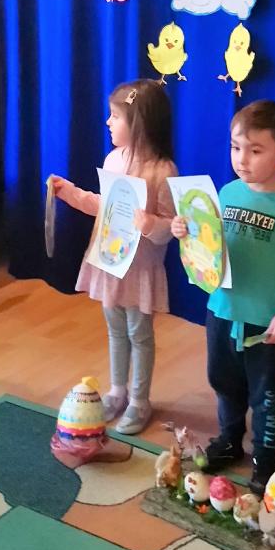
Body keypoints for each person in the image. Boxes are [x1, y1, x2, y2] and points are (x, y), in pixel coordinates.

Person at [171, 100, 275, 493]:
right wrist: (185, 230)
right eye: (236, 147)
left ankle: (266, 457)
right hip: (222, 310)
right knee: (224, 382)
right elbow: (211, 244)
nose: (242, 159)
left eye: (255, 150)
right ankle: (229, 440)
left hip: (267, 323)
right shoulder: (227, 193)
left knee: (266, 393)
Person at [53, 79, 177, 435]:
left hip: (140, 269)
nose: (108, 122)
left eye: (115, 116)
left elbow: (172, 226)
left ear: (139, 123)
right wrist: (70, 193)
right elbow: (104, 205)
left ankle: (139, 400)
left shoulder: (163, 171)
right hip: (111, 262)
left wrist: (152, 224)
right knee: (116, 330)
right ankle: (118, 391)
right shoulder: (113, 159)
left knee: (139, 333)